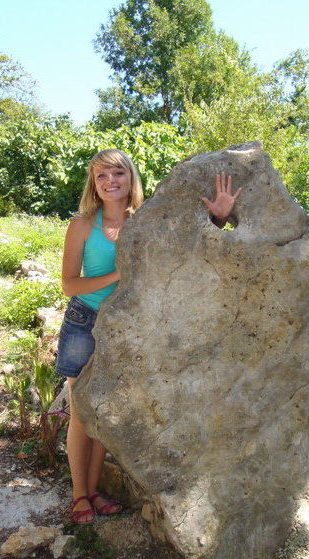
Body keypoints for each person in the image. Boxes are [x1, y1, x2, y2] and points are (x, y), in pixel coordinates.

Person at [56, 148, 241, 524]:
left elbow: (185, 246)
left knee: (105, 412)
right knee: (81, 413)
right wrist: (117, 274)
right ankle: (78, 495)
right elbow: (69, 284)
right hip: (84, 321)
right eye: (101, 176)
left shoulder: (147, 218)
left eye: (117, 174)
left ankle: (95, 490)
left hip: (128, 325)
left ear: (131, 178)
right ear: (93, 184)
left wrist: (219, 218)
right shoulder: (83, 225)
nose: (110, 181)